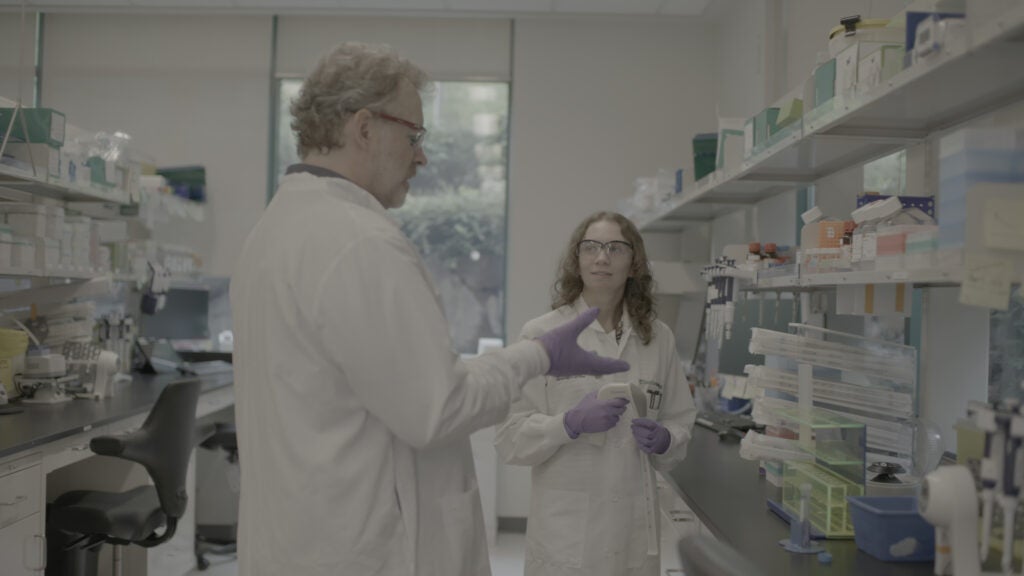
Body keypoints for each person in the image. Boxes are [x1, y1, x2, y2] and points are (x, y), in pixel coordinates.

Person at [229, 43, 628, 576]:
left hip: (303, 538)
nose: (422, 156)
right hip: (367, 549)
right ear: (365, 128)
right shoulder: (359, 241)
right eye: (414, 136)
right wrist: (537, 355)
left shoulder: (274, 230)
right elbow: (439, 408)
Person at [495, 211, 698, 576]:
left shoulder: (658, 337)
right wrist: (568, 423)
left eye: (615, 248)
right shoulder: (544, 333)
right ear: (577, 259)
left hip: (633, 530)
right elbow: (509, 436)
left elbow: (680, 418)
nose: (601, 257)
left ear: (634, 263)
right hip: (566, 534)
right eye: (591, 247)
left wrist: (666, 439)